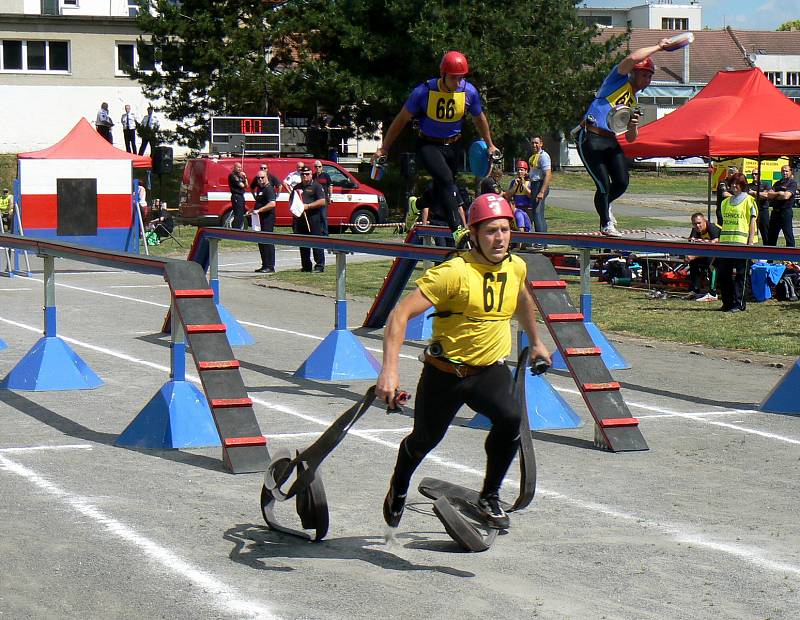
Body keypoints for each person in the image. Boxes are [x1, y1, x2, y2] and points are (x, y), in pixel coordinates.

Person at [376, 193, 551, 531]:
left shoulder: (516, 267)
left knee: (510, 418)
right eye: (490, 231)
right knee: (424, 440)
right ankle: (398, 486)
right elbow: (399, 315)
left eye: (504, 230)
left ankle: (489, 496)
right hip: (445, 375)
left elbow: (521, 299)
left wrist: (537, 341)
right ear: (473, 235)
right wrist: (390, 371)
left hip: (488, 370)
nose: (499, 238)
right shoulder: (452, 273)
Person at [374, 51, 500, 243]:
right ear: (443, 74)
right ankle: (458, 230)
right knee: (447, 181)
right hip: (428, 144)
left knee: (443, 187)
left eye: (461, 78)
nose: (457, 82)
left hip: (453, 146)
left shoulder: (469, 92)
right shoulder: (423, 91)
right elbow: (401, 119)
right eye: (453, 78)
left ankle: (418, 204)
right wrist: (384, 148)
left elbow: (479, 119)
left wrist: (490, 144)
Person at [576, 39, 670, 236]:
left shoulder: (634, 100)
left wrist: (633, 125)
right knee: (602, 184)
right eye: (644, 74)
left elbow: (630, 138)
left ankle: (605, 206)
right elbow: (632, 58)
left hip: (610, 140)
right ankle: (606, 224)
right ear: (633, 73)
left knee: (622, 181)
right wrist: (659, 46)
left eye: (650, 77)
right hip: (590, 137)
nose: (647, 80)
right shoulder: (616, 81)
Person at [717, 172, 758, 313]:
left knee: (742, 274)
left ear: (742, 184)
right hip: (725, 243)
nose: (734, 186)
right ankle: (727, 302)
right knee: (723, 274)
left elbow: (752, 222)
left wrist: (750, 242)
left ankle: (739, 303)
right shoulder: (725, 202)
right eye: (732, 183)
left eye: (737, 183)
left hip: (742, 244)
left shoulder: (749, 201)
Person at [292, 166, 327, 272]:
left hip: (314, 218)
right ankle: (306, 266)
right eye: (303, 174)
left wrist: (308, 206)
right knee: (303, 243)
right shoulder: (297, 187)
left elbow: (322, 201)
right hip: (301, 219)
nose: (305, 176)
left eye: (307, 174)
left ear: (311, 175)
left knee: (316, 242)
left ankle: (319, 265)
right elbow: (293, 201)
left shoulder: (316, 186)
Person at [686, 213, 721, 301]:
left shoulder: (713, 228)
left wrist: (695, 255)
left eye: (699, 223)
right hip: (706, 254)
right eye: (695, 224)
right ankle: (695, 289)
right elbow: (691, 245)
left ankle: (713, 293)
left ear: (704, 221)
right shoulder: (695, 230)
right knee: (693, 262)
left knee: (711, 262)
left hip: (721, 254)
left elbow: (714, 248)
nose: (697, 226)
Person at [762, 164, 797, 247]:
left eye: (786, 171)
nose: (784, 173)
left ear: (790, 172)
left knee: (788, 235)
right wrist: (779, 193)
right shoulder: (777, 183)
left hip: (785, 212)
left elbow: (786, 196)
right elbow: (768, 194)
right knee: (771, 236)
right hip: (775, 212)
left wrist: (775, 196)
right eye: (783, 171)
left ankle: (790, 258)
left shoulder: (792, 183)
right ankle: (769, 259)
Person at [249, 171, 277, 273]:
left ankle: (270, 266)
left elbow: (272, 204)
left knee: (267, 241)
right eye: (258, 178)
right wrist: (253, 210)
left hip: (267, 218)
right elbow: (260, 203)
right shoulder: (260, 189)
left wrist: (259, 210)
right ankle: (264, 264)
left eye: (262, 177)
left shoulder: (269, 189)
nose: (260, 180)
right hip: (259, 219)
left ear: (267, 177)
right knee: (261, 241)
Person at [527, 136, 552, 233]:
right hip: (534, 185)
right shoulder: (533, 157)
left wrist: (541, 192)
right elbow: (534, 173)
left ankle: (542, 242)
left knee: (537, 213)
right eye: (532, 143)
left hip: (540, 186)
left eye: (536, 143)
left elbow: (548, 174)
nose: (534, 145)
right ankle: (542, 240)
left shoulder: (544, 156)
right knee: (536, 213)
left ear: (541, 143)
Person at [748, 170, 770, 244]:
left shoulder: (766, 184)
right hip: (752, 212)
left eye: (756, 174)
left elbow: (766, 195)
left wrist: (754, 193)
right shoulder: (748, 186)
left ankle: (767, 251)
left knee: (765, 233)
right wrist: (760, 195)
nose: (754, 175)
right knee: (752, 233)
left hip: (763, 211)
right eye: (753, 174)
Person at [312, 160, 332, 236]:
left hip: (324, 199)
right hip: (315, 199)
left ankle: (325, 233)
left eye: (319, 166)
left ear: (322, 167)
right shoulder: (313, 176)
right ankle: (318, 232)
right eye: (316, 166)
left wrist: (330, 196)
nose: (318, 168)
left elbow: (330, 186)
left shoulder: (326, 175)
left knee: (323, 216)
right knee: (316, 216)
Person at [228, 162, 248, 229]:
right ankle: (236, 229)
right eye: (238, 167)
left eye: (240, 167)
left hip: (241, 196)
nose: (240, 169)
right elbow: (242, 185)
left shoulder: (240, 176)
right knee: (238, 213)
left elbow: (247, 186)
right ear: (234, 167)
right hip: (236, 196)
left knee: (241, 213)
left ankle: (239, 228)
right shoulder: (233, 176)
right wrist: (243, 180)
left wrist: (245, 177)